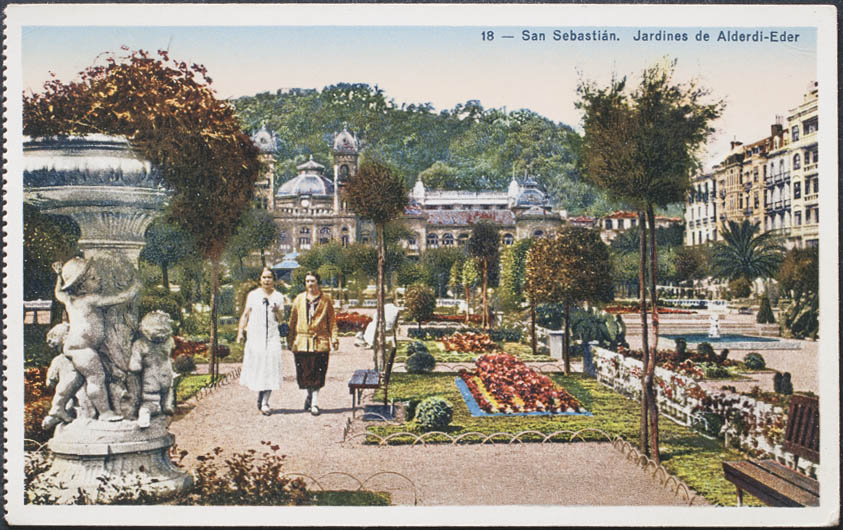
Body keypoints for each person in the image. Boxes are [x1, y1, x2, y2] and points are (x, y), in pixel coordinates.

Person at [52, 258, 141, 422]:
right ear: (82, 286)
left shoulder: (70, 300)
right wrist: (134, 287)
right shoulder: (90, 299)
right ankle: (105, 412)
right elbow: (119, 298)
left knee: (76, 379)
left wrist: (59, 277)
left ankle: (57, 407)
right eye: (93, 278)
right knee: (96, 378)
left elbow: (59, 293)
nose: (99, 279)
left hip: (76, 346)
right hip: (83, 348)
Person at [287, 271, 338, 416]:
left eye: (312, 281)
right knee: (305, 373)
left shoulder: (326, 300)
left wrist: (334, 338)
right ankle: (309, 396)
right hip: (302, 342)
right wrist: (290, 340)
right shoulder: (299, 299)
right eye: (307, 281)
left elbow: (332, 321)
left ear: (318, 283)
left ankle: (315, 402)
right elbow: (292, 321)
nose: (310, 284)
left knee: (318, 373)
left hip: (320, 342)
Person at [237, 268, 286, 415]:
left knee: (271, 365)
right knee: (259, 366)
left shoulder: (278, 296)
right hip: (256, 335)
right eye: (264, 277)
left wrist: (277, 311)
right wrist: (240, 332)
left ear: (274, 280)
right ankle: (261, 391)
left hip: (272, 336)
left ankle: (265, 401)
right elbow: (246, 314)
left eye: (269, 277)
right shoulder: (253, 295)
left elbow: (281, 319)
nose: (267, 280)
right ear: (260, 279)